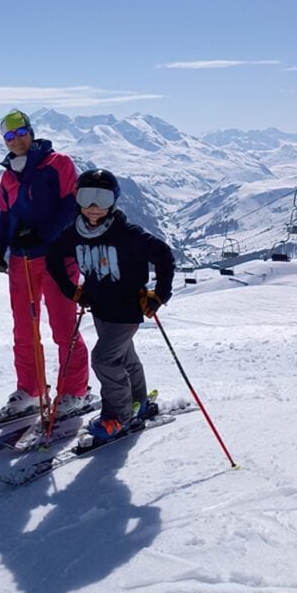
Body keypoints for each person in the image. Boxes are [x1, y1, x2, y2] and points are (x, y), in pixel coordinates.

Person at [46, 168, 175, 440]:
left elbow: (164, 256)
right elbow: (54, 257)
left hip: (127, 310)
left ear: (113, 201)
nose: (93, 207)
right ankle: (138, 403)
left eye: (101, 199)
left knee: (104, 359)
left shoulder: (127, 234)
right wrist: (73, 291)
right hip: (100, 308)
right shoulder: (75, 233)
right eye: (86, 197)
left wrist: (160, 294)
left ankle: (118, 417)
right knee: (124, 357)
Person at [0, 109, 89, 418]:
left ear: (31, 133)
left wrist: (42, 234)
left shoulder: (58, 163)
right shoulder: (7, 176)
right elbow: (7, 217)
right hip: (22, 260)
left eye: (21, 134)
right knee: (24, 329)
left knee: (63, 325)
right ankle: (31, 390)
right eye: (9, 136)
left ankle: (76, 391)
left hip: (57, 256)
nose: (16, 141)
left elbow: (70, 205)